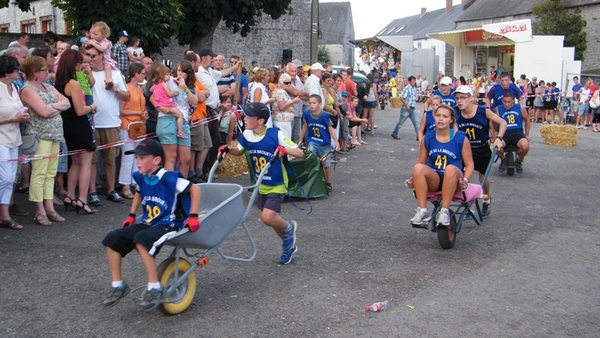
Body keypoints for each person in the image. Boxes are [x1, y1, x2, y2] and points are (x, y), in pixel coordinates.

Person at [101, 139, 201, 310]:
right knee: (112, 238)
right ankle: (118, 285)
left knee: (142, 240)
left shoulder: (169, 178)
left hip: (169, 223)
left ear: (156, 160)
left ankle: (155, 287)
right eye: (136, 158)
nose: (138, 162)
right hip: (149, 221)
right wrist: (132, 215)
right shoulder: (141, 177)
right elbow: (139, 192)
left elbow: (196, 189)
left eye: (142, 158)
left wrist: (193, 216)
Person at [223, 102, 303, 264]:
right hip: (261, 184)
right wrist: (227, 149)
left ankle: (289, 228)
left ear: (260, 120)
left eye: (248, 117)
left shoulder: (275, 134)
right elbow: (239, 151)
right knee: (273, 219)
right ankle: (288, 246)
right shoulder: (247, 135)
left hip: (277, 183)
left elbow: (299, 152)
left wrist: (284, 150)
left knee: (267, 217)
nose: (244, 119)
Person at [20, 55, 71, 226]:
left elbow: (67, 102)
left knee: (50, 173)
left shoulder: (48, 87)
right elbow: (42, 111)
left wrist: (52, 107)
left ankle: (50, 207)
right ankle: (40, 210)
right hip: (40, 136)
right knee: (39, 173)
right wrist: (55, 107)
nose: (48, 73)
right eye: (44, 70)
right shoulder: (28, 90)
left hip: (55, 134)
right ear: (35, 72)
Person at [409, 104, 474, 227]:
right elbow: (421, 163)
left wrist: (465, 180)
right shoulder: (428, 137)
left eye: (444, 116)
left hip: (454, 178)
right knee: (417, 168)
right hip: (435, 178)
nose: (440, 119)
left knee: (449, 168)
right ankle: (422, 211)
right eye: (438, 115)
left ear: (451, 120)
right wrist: (414, 178)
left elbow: (470, 164)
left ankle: (444, 211)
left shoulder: (460, 138)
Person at [54, 50, 98, 215]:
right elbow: (80, 110)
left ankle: (70, 196)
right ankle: (82, 199)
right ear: (73, 64)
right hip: (79, 124)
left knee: (76, 162)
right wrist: (92, 107)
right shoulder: (74, 83)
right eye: (79, 63)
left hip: (67, 125)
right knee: (85, 162)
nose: (81, 66)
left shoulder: (58, 82)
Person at [86, 44, 130, 206]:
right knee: (92, 160)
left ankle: (111, 190)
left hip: (111, 121)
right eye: (88, 56)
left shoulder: (115, 74)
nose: (90, 59)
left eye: (93, 56)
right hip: (92, 122)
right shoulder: (84, 74)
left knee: (110, 159)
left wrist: (114, 88)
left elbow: (126, 96)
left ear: (101, 55)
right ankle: (92, 192)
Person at [454, 85, 506, 217]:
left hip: (481, 148)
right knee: (465, 177)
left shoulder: (483, 111)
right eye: (457, 98)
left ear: (471, 98)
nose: (459, 101)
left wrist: (498, 138)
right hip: (465, 150)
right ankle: (470, 206)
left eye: (463, 98)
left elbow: (502, 122)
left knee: (483, 178)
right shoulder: (454, 112)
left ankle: (486, 199)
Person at [0, 55, 29, 230]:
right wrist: (14, 118)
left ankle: (4, 215)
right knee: (6, 177)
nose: (19, 72)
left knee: (10, 179)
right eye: (17, 69)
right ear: (6, 72)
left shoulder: (14, 88)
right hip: (1, 138)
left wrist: (22, 116)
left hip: (14, 138)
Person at [299, 94, 340, 192]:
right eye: (310, 103)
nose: (311, 105)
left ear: (320, 104)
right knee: (310, 160)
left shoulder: (325, 116)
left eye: (314, 103)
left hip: (324, 144)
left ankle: (328, 182)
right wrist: (300, 139)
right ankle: (311, 182)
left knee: (326, 163)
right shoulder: (307, 114)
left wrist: (337, 142)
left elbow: (330, 130)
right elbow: (305, 126)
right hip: (312, 141)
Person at [119, 63, 148, 199]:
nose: (144, 75)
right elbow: (121, 109)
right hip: (127, 125)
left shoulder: (140, 89)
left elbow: (143, 106)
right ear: (136, 74)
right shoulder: (126, 89)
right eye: (143, 73)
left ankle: (136, 183)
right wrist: (138, 112)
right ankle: (125, 185)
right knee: (128, 156)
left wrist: (144, 113)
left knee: (138, 156)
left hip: (139, 125)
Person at [495, 92, 530, 174]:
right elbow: (491, 122)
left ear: (513, 101)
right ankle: (503, 160)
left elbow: (527, 119)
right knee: (497, 147)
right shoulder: (498, 109)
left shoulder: (519, 107)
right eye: (505, 102)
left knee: (525, 146)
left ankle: (519, 161)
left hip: (517, 133)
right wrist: (494, 136)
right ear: (502, 101)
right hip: (504, 133)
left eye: (509, 102)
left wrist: (527, 134)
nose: (507, 104)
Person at [150, 63, 187, 139]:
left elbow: (151, 90)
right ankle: (180, 131)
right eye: (167, 74)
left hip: (161, 105)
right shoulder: (164, 84)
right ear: (161, 75)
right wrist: (175, 93)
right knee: (180, 115)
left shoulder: (156, 85)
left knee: (175, 116)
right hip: (168, 105)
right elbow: (169, 94)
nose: (169, 76)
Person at [83, 21, 119, 90]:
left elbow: (102, 49)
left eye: (95, 34)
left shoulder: (106, 42)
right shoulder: (93, 41)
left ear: (104, 34)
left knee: (107, 66)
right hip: (97, 60)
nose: (93, 36)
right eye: (92, 34)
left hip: (106, 59)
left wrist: (93, 43)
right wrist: (86, 43)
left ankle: (108, 79)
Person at [272, 73, 301, 139]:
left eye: (290, 82)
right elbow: (281, 107)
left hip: (282, 120)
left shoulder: (277, 91)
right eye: (286, 83)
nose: (289, 84)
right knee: (285, 140)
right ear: (281, 82)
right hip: (283, 120)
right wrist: (293, 101)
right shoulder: (281, 92)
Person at [391, 75, 420, 141]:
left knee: (416, 122)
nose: (414, 82)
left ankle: (418, 136)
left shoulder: (414, 88)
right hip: (406, 108)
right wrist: (406, 105)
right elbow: (401, 97)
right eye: (413, 81)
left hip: (412, 108)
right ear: (409, 81)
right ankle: (394, 132)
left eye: (414, 80)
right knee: (401, 122)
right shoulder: (407, 88)